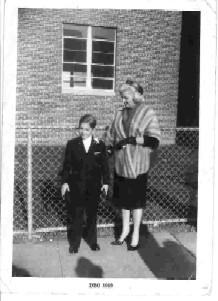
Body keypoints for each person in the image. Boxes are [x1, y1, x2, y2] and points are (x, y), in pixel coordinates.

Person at [105, 80, 161, 250]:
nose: (123, 101)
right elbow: (111, 135)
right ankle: (125, 230)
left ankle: (135, 233)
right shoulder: (118, 113)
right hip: (121, 165)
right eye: (122, 97)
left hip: (138, 166)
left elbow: (155, 140)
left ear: (136, 96)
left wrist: (132, 140)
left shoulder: (147, 112)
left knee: (136, 202)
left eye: (125, 97)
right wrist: (108, 148)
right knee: (123, 201)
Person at [61, 114, 109, 254]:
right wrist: (64, 182)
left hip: (93, 187)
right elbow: (66, 166)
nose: (83, 132)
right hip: (77, 186)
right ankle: (74, 243)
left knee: (92, 215)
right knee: (77, 215)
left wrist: (106, 183)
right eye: (81, 128)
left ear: (93, 130)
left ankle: (92, 241)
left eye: (87, 129)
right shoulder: (72, 144)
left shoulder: (99, 145)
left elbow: (105, 166)